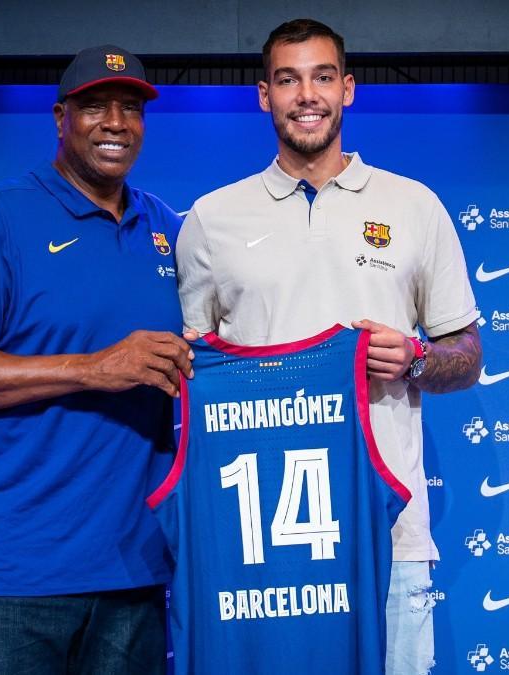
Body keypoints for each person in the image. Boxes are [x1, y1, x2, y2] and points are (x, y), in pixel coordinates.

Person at [175, 19, 483, 675]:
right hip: (256, 544)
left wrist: (418, 358)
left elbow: (467, 354)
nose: (305, 95)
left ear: (348, 89)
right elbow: (190, 362)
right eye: (287, 79)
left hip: (388, 538)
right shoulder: (210, 220)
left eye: (321, 77)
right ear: (264, 95)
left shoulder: (415, 206)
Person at [0, 44, 191, 675]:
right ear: (61, 118)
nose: (115, 122)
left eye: (131, 108)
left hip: (134, 570)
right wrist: (92, 367)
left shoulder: (170, 230)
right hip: (13, 575)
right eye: (94, 107)